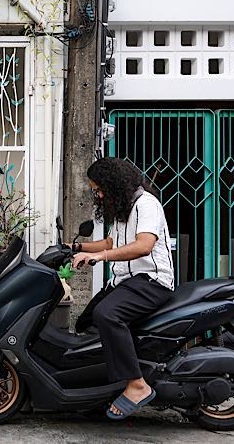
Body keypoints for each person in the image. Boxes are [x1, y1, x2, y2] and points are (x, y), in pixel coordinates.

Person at [70, 157, 175, 421]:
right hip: (126, 281)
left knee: (107, 314)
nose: (98, 194)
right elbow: (110, 243)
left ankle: (137, 384)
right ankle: (104, 385)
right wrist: (75, 248)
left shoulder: (146, 204)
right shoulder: (123, 208)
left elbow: (143, 245)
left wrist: (99, 257)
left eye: (99, 189)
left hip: (152, 281)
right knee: (86, 322)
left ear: (113, 183)